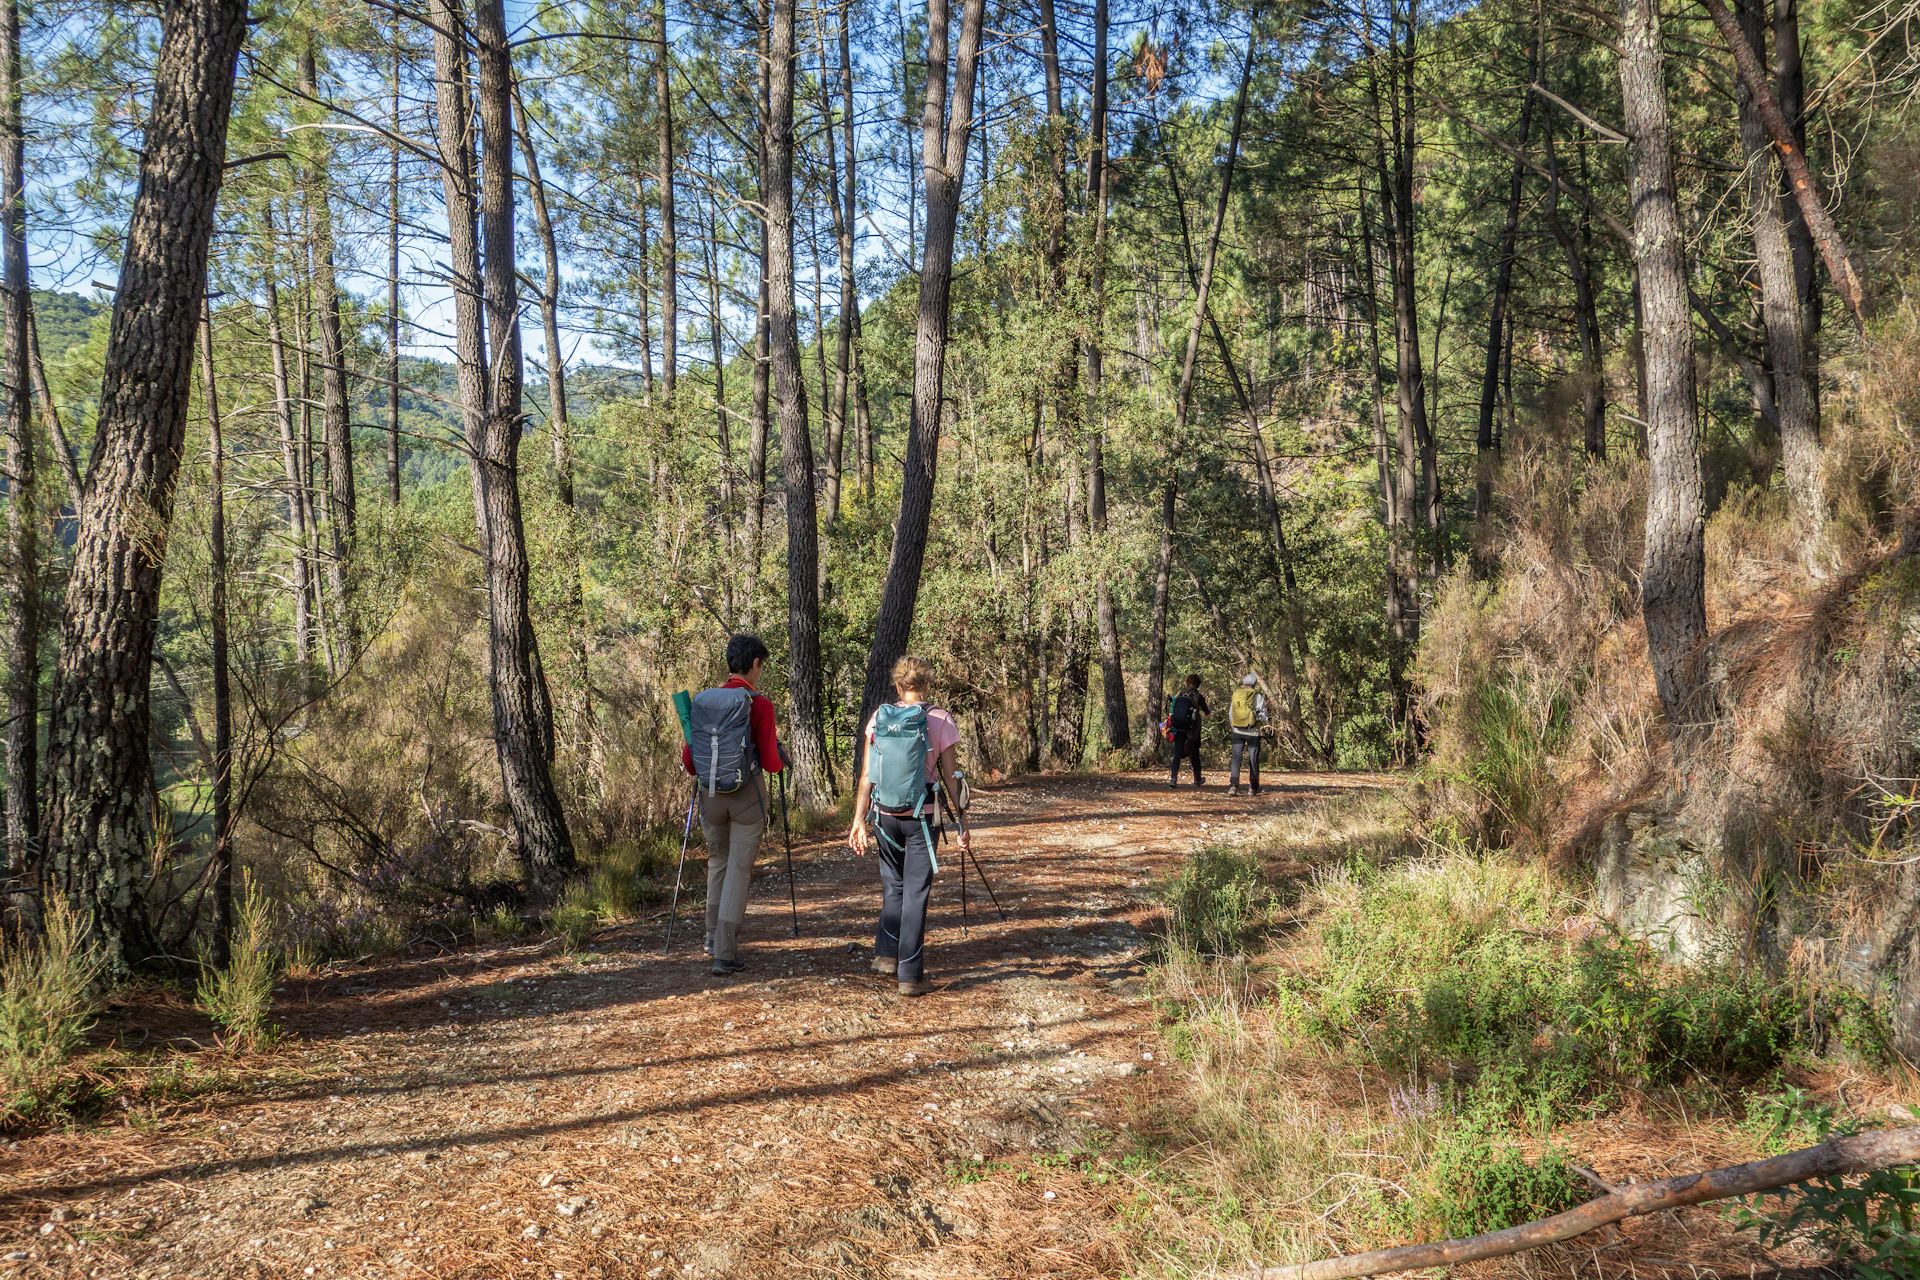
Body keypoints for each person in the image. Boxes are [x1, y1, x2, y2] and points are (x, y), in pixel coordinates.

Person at [848, 655, 970, 997]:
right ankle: (911, 976)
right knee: (916, 892)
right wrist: (963, 821)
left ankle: (887, 956)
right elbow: (951, 778)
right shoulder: (940, 719)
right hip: (923, 816)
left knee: (893, 885)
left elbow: (868, 776)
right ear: (927, 684)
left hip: (885, 816)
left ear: (898, 686)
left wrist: (858, 820)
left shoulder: (879, 718)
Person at [682, 633, 786, 977]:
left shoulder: (703, 703)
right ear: (754, 664)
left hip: (710, 796)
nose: (761, 672)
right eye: (761, 666)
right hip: (746, 798)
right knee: (739, 871)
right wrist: (781, 757)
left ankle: (712, 938)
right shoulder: (760, 704)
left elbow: (690, 761)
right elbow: (771, 764)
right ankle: (725, 954)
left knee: (718, 864)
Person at [1228, 673, 1269, 797]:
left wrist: (1234, 726)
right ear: (1254, 684)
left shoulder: (1237, 695)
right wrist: (1263, 724)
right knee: (1253, 759)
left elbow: (1231, 713)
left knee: (1236, 759)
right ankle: (1253, 788)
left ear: (1244, 684)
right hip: (1253, 733)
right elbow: (1263, 716)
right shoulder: (1258, 697)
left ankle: (1233, 786)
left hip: (1237, 731)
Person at [1168, 673, 1209, 788]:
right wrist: (1208, 709)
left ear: (1187, 682)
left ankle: (1173, 778)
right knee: (1195, 753)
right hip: (1192, 729)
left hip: (1179, 728)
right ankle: (1197, 779)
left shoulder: (1180, 695)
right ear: (1197, 684)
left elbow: (1172, 711)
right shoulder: (1198, 696)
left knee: (1177, 753)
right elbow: (1207, 713)